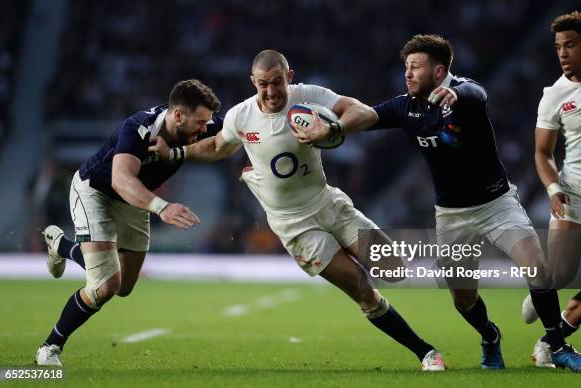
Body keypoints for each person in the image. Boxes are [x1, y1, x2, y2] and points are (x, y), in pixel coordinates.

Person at [292, 34, 581, 372]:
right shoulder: (408, 106)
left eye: (415, 67)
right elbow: (369, 116)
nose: (407, 73)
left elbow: (476, 94)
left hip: (497, 205)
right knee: (462, 299)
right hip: (452, 217)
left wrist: (455, 93)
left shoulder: (465, 93)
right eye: (406, 67)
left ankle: (558, 345)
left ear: (439, 72)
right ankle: (489, 335)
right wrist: (333, 128)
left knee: (535, 267)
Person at [150, 49, 445, 371]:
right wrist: (177, 153)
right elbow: (218, 146)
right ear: (253, 83)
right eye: (263, 84)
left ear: (288, 77)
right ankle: (426, 352)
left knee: (393, 267)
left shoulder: (309, 97)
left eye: (277, 82)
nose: (271, 91)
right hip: (294, 224)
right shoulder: (241, 116)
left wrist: (332, 129)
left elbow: (359, 111)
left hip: (327, 202)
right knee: (362, 289)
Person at [35, 79, 222, 366]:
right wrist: (162, 207)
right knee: (104, 287)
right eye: (199, 122)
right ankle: (50, 347)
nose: (204, 128)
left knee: (123, 287)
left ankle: (61, 245)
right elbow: (121, 179)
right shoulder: (138, 128)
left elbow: (232, 135)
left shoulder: (201, 124)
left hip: (134, 201)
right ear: (178, 116)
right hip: (96, 192)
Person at [521, 11, 581, 367]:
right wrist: (554, 187)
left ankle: (548, 343)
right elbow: (542, 153)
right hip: (574, 188)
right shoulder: (554, 96)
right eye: (558, 46)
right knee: (562, 268)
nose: (562, 53)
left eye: (569, 45)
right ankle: (544, 283)